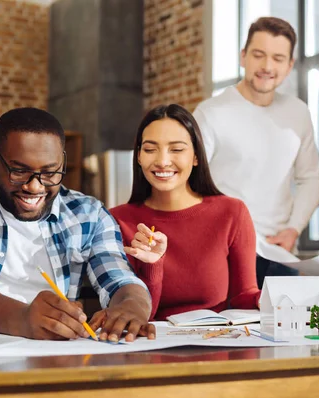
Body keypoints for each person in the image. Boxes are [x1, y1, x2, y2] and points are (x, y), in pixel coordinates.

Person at [0, 107, 154, 343]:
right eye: (19, 171)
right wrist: (22, 318)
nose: (34, 187)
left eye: (50, 173)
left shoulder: (89, 215)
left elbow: (119, 278)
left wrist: (133, 306)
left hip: (49, 354)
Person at [193, 17, 319, 288]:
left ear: (290, 65)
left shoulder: (298, 112)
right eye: (258, 55)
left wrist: (293, 229)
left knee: (286, 330)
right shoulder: (211, 113)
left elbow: (311, 178)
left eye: (277, 58)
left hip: (280, 254)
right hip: (223, 253)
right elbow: (190, 182)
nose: (267, 66)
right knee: (222, 331)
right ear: (243, 56)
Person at [110, 104, 261, 320]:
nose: (162, 161)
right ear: (139, 157)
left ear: (196, 157)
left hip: (216, 344)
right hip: (148, 346)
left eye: (177, 149)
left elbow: (243, 297)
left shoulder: (232, 213)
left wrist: (280, 299)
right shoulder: (117, 221)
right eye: (150, 149)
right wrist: (152, 266)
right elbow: (136, 317)